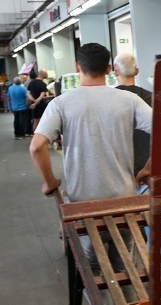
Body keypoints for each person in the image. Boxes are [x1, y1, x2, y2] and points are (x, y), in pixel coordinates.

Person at [30, 43, 153, 271]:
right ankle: (125, 293)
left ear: (78, 66)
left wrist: (50, 182)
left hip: (83, 204)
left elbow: (37, 147)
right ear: (109, 69)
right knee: (124, 265)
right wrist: (148, 167)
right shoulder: (129, 100)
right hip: (123, 201)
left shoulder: (61, 103)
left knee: (92, 268)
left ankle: (100, 293)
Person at [113, 53, 153, 178]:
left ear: (115, 72)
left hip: (117, 163)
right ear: (137, 71)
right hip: (146, 162)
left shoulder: (109, 99)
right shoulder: (150, 97)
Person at [26, 69, 49, 134]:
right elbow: (42, 95)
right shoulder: (43, 84)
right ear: (43, 74)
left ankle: (35, 136)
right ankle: (42, 135)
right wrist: (36, 102)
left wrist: (34, 101)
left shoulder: (31, 82)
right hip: (41, 104)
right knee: (42, 120)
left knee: (35, 121)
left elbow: (28, 93)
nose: (47, 75)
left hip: (33, 105)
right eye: (46, 73)